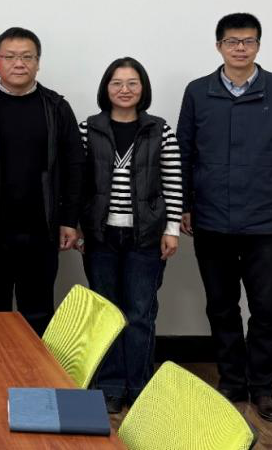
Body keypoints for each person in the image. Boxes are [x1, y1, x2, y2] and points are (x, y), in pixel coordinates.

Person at [177, 12, 272, 422]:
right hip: (211, 218)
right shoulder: (198, 92)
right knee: (221, 306)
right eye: (232, 41)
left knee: (266, 307)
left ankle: (263, 387)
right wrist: (184, 205)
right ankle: (232, 380)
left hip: (265, 220)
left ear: (258, 45)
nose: (240, 48)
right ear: (219, 46)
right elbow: (183, 153)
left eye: (248, 41)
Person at [0, 27, 83, 336]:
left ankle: (33, 369)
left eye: (27, 57)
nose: (19, 63)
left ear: (38, 62)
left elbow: (74, 166)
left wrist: (69, 219)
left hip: (42, 230)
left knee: (38, 311)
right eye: (10, 57)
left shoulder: (57, 107)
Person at [77, 57, 182, 413]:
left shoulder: (159, 129)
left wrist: (171, 230)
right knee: (106, 314)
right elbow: (77, 183)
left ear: (143, 88)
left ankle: (139, 387)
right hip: (100, 236)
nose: (125, 90)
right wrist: (77, 226)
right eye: (117, 83)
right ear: (106, 88)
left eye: (132, 83)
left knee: (140, 313)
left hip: (146, 237)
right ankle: (109, 385)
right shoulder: (88, 128)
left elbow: (173, 182)